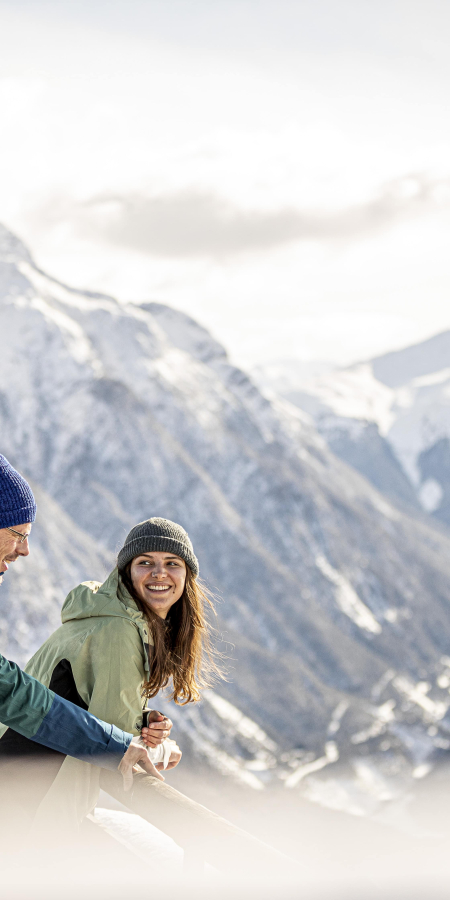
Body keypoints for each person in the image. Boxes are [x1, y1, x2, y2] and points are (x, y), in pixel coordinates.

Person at [0, 517, 218, 830]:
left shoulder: (107, 616)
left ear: (187, 575)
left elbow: (82, 700)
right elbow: (116, 742)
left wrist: (140, 720)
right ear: (126, 571)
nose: (160, 573)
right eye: (145, 562)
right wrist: (163, 749)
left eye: (173, 562)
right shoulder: (119, 630)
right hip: (31, 806)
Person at [0, 453, 170, 790]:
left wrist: (138, 725)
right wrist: (127, 744)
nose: (25, 551)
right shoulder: (116, 629)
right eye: (18, 534)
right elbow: (13, 695)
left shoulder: (95, 618)